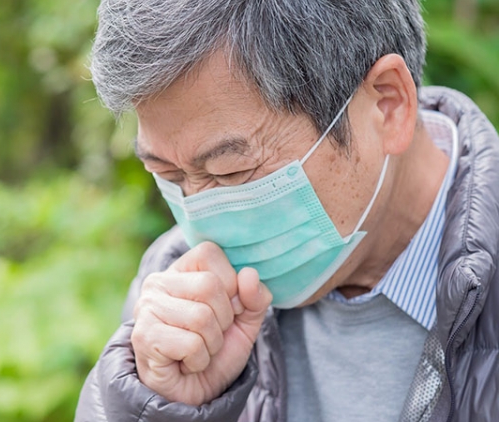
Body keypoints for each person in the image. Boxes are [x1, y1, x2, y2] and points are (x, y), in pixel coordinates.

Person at [75, 0, 499, 421]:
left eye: (231, 171)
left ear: (387, 105)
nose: (201, 222)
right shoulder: (177, 296)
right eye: (167, 173)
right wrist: (162, 404)